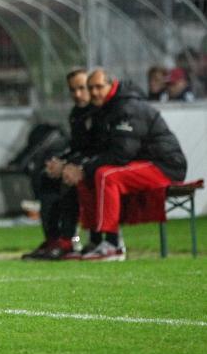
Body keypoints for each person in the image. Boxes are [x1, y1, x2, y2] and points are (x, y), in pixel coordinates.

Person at [61, 69, 187, 261]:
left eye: (98, 87)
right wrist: (73, 166)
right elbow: (97, 149)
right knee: (90, 175)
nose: (93, 92)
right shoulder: (104, 109)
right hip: (141, 163)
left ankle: (113, 245)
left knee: (106, 175)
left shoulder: (127, 107)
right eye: (90, 88)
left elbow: (122, 153)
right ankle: (93, 240)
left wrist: (84, 168)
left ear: (112, 85)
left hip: (165, 165)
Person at [21, 69, 95, 260]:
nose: (77, 94)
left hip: (98, 166)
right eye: (73, 90)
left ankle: (69, 240)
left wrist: (71, 165)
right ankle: (53, 239)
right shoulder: (77, 114)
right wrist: (61, 162)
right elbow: (77, 147)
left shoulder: (101, 112)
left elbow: (102, 149)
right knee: (45, 176)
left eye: (82, 88)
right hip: (85, 162)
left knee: (67, 179)